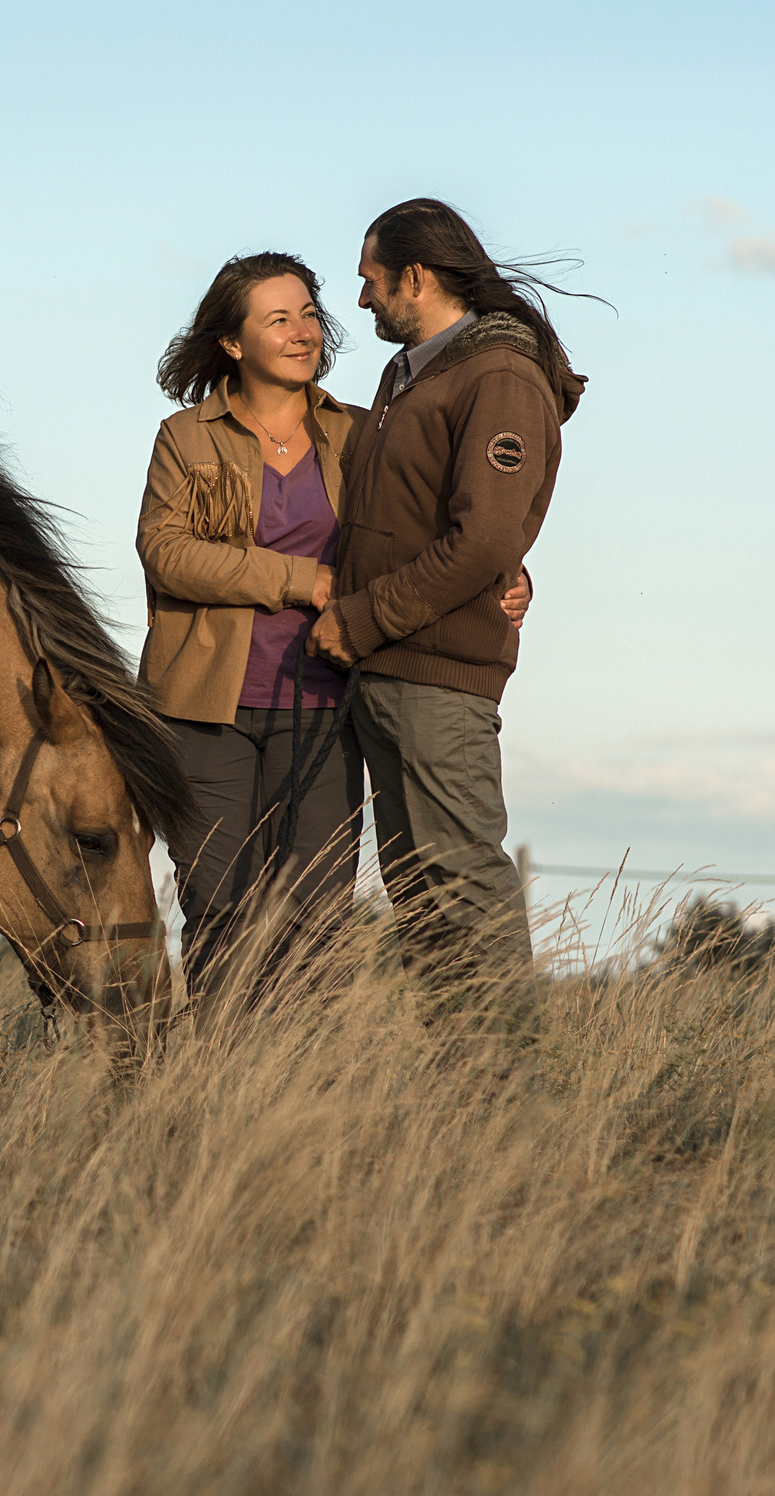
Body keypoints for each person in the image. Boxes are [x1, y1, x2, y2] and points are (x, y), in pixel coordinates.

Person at [137, 251, 529, 1009]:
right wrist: (299, 580)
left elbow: (435, 530)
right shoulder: (185, 437)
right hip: (201, 708)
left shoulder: (360, 433)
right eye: (277, 319)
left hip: (327, 701)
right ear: (233, 342)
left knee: (315, 916)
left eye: (310, 315)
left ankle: (306, 1090)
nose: (302, 332)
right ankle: (223, 1082)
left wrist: (507, 575)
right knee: (220, 906)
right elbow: (167, 553)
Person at [307, 199, 587, 983]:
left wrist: (359, 623)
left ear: (417, 276)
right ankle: (466, 1097)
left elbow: (487, 537)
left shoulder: (499, 376)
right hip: (391, 676)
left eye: (372, 280)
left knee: (464, 890)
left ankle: (507, 1080)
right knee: (424, 911)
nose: (361, 299)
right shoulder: (410, 374)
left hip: (437, 678)